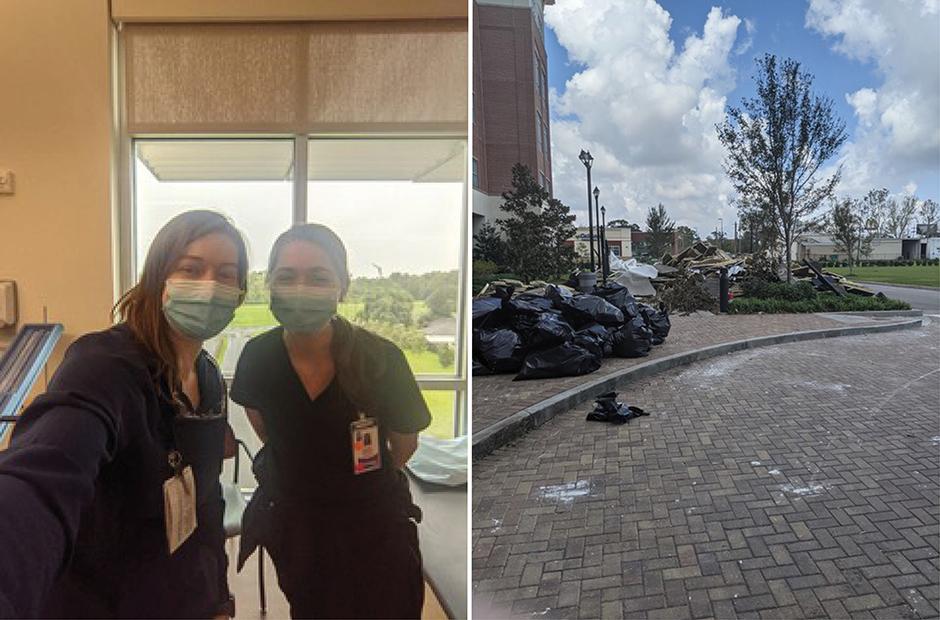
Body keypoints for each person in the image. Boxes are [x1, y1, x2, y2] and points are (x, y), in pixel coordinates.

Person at [0, 210, 247, 618]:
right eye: (190, 268)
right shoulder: (104, 365)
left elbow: (205, 502)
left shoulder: (208, 378)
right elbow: (46, 471)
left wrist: (218, 599)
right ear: (157, 279)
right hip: (105, 602)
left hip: (183, 599)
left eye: (226, 273)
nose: (210, 286)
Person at [231, 224, 431, 619]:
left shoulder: (382, 358)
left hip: (375, 527)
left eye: (318, 277)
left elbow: (404, 446)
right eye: (286, 277)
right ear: (269, 284)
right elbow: (269, 430)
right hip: (299, 532)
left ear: (343, 286)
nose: (300, 288)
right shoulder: (258, 357)